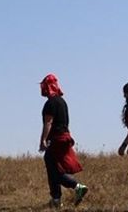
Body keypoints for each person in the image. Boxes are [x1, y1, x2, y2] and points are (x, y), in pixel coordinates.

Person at [39, 75, 89, 207]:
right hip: (65, 137)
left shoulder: (50, 103)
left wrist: (43, 139)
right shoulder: (62, 101)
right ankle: (56, 200)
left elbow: (48, 122)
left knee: (54, 170)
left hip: (56, 139)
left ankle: (77, 187)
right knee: (55, 168)